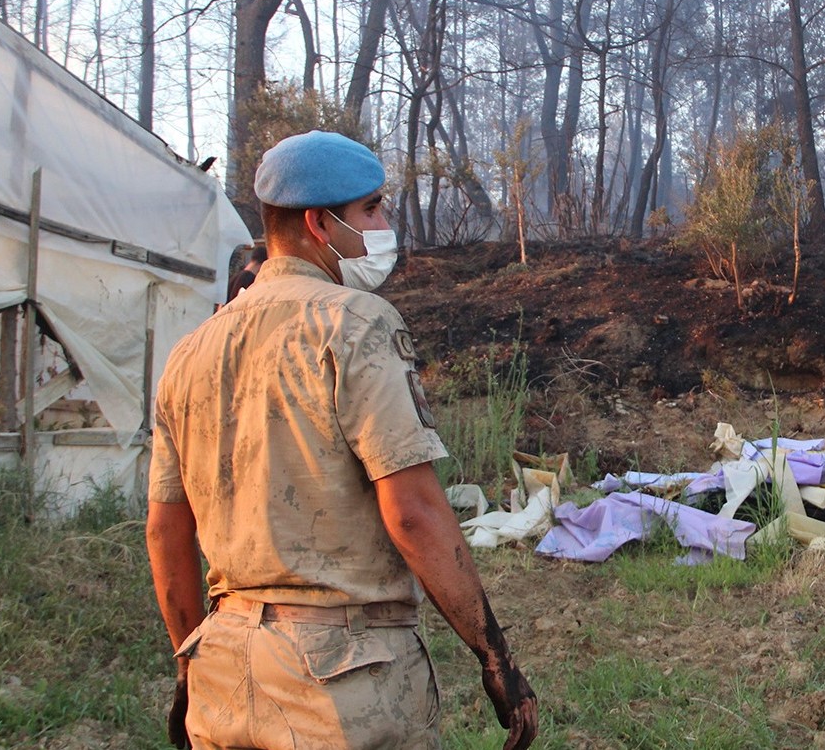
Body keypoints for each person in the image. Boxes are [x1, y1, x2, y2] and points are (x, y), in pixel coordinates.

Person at [146, 130, 536, 750]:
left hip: (223, 672)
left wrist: (188, 664)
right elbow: (412, 512)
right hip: (342, 684)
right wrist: (495, 655)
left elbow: (167, 532)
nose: (384, 224)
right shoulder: (356, 323)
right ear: (319, 224)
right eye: (372, 209)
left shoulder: (189, 351)